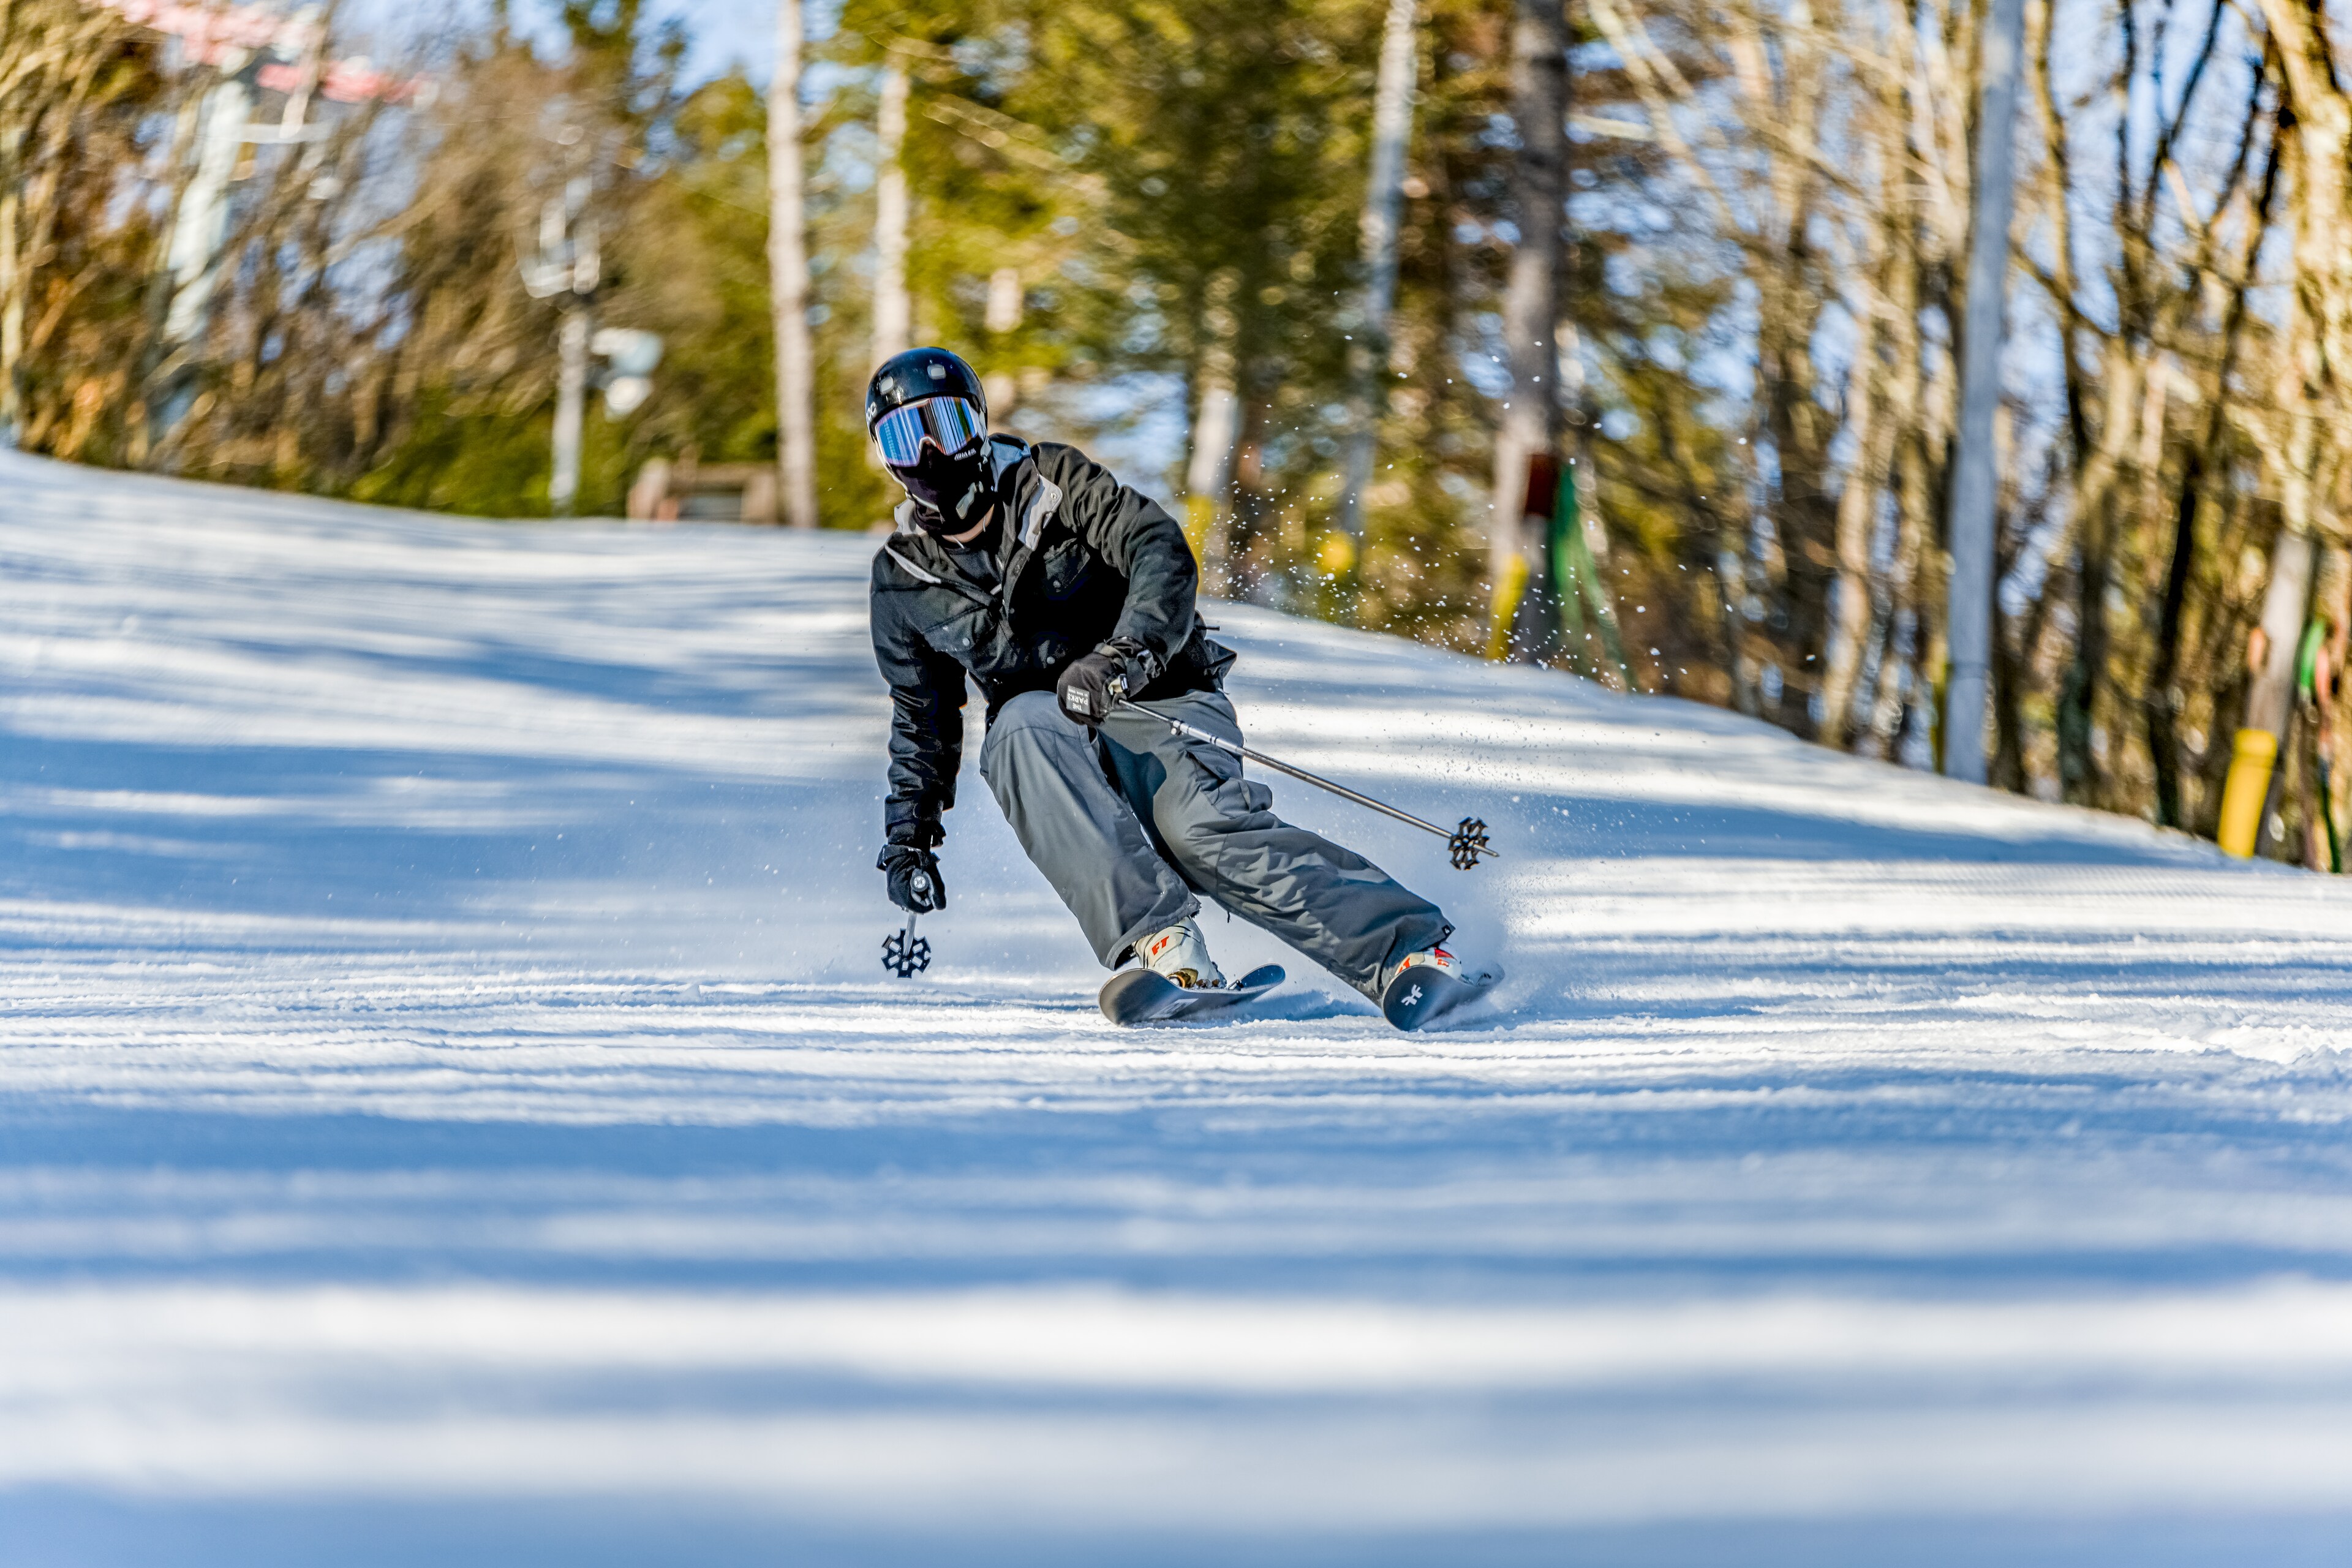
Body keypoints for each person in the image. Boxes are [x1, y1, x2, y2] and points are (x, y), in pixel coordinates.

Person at [865, 345, 1473, 1021]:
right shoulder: (903, 580)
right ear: (887, 459)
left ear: (977, 426)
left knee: (1199, 833)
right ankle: (1167, 948)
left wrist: (1125, 656)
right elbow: (922, 718)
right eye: (903, 437)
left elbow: (1158, 549)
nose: (929, 453)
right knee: (1015, 730)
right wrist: (909, 838)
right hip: (1055, 737)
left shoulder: (1053, 484)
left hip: (1159, 698)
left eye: (945, 427)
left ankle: (1410, 951)